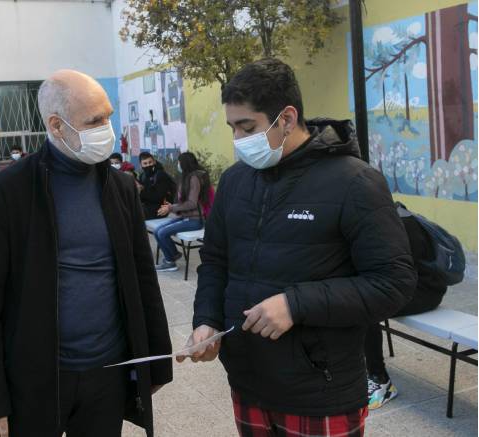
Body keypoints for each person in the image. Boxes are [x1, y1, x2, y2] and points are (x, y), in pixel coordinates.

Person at [177, 59, 416, 437]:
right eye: (232, 128)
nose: (238, 140)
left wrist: (295, 304)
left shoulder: (355, 182)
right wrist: (206, 320)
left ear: (286, 119)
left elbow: (394, 283)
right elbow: (216, 261)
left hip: (321, 389)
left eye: (247, 127)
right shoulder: (235, 182)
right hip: (248, 380)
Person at [0, 69, 173, 437]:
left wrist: (155, 362)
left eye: (108, 115)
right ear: (57, 126)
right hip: (36, 377)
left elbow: (142, 278)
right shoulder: (5, 194)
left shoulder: (120, 187)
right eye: (95, 120)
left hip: (107, 373)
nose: (107, 127)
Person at [365, 204, 448, 410]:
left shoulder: (397, 223)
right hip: (410, 286)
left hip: (425, 292)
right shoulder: (386, 214)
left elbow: (396, 273)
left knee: (366, 307)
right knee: (356, 298)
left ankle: (381, 380)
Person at [153, 152, 211, 273]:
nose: (178, 165)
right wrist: (172, 206)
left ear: (184, 164)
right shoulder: (188, 176)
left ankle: (170, 262)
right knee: (157, 231)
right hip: (186, 216)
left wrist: (171, 208)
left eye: (179, 162)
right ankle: (173, 255)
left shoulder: (194, 178)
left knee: (162, 232)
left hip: (195, 220)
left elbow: (192, 203)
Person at [137, 152, 176, 220]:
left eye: (150, 162)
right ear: (141, 165)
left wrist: (141, 191)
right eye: (145, 163)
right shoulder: (142, 176)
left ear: (154, 162)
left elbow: (158, 197)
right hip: (148, 206)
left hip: (162, 208)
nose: (148, 165)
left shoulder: (160, 175)